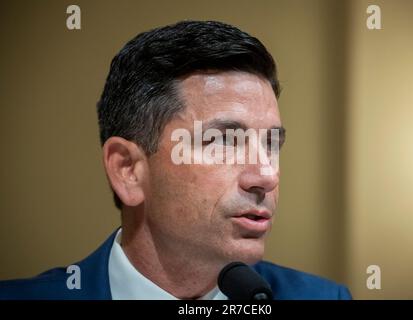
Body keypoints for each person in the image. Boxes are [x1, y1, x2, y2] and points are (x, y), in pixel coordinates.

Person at [0, 20, 351, 300]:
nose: (266, 175)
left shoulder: (322, 297)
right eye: (225, 141)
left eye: (272, 143)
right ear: (128, 170)